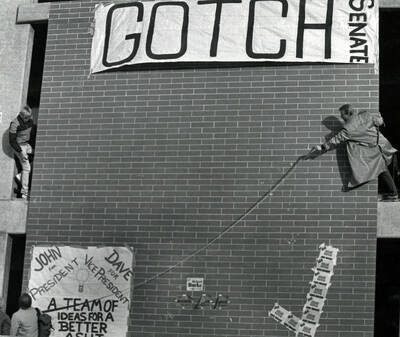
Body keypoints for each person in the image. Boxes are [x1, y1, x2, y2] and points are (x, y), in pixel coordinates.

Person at [313, 104, 398, 201]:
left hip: (374, 152)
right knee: (385, 169)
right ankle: (393, 193)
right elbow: (379, 122)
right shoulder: (366, 115)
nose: (341, 118)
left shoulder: (348, 129)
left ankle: (394, 193)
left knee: (383, 169)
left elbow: (336, 139)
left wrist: (322, 147)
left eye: (342, 115)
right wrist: (380, 119)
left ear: (347, 114)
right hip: (383, 145)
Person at [9, 105, 36, 199]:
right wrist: (20, 152)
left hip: (26, 144)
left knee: (36, 155)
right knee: (27, 167)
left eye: (30, 117)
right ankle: (24, 192)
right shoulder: (14, 124)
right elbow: (12, 141)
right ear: (22, 116)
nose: (29, 119)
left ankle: (20, 176)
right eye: (27, 118)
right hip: (19, 146)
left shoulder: (30, 119)